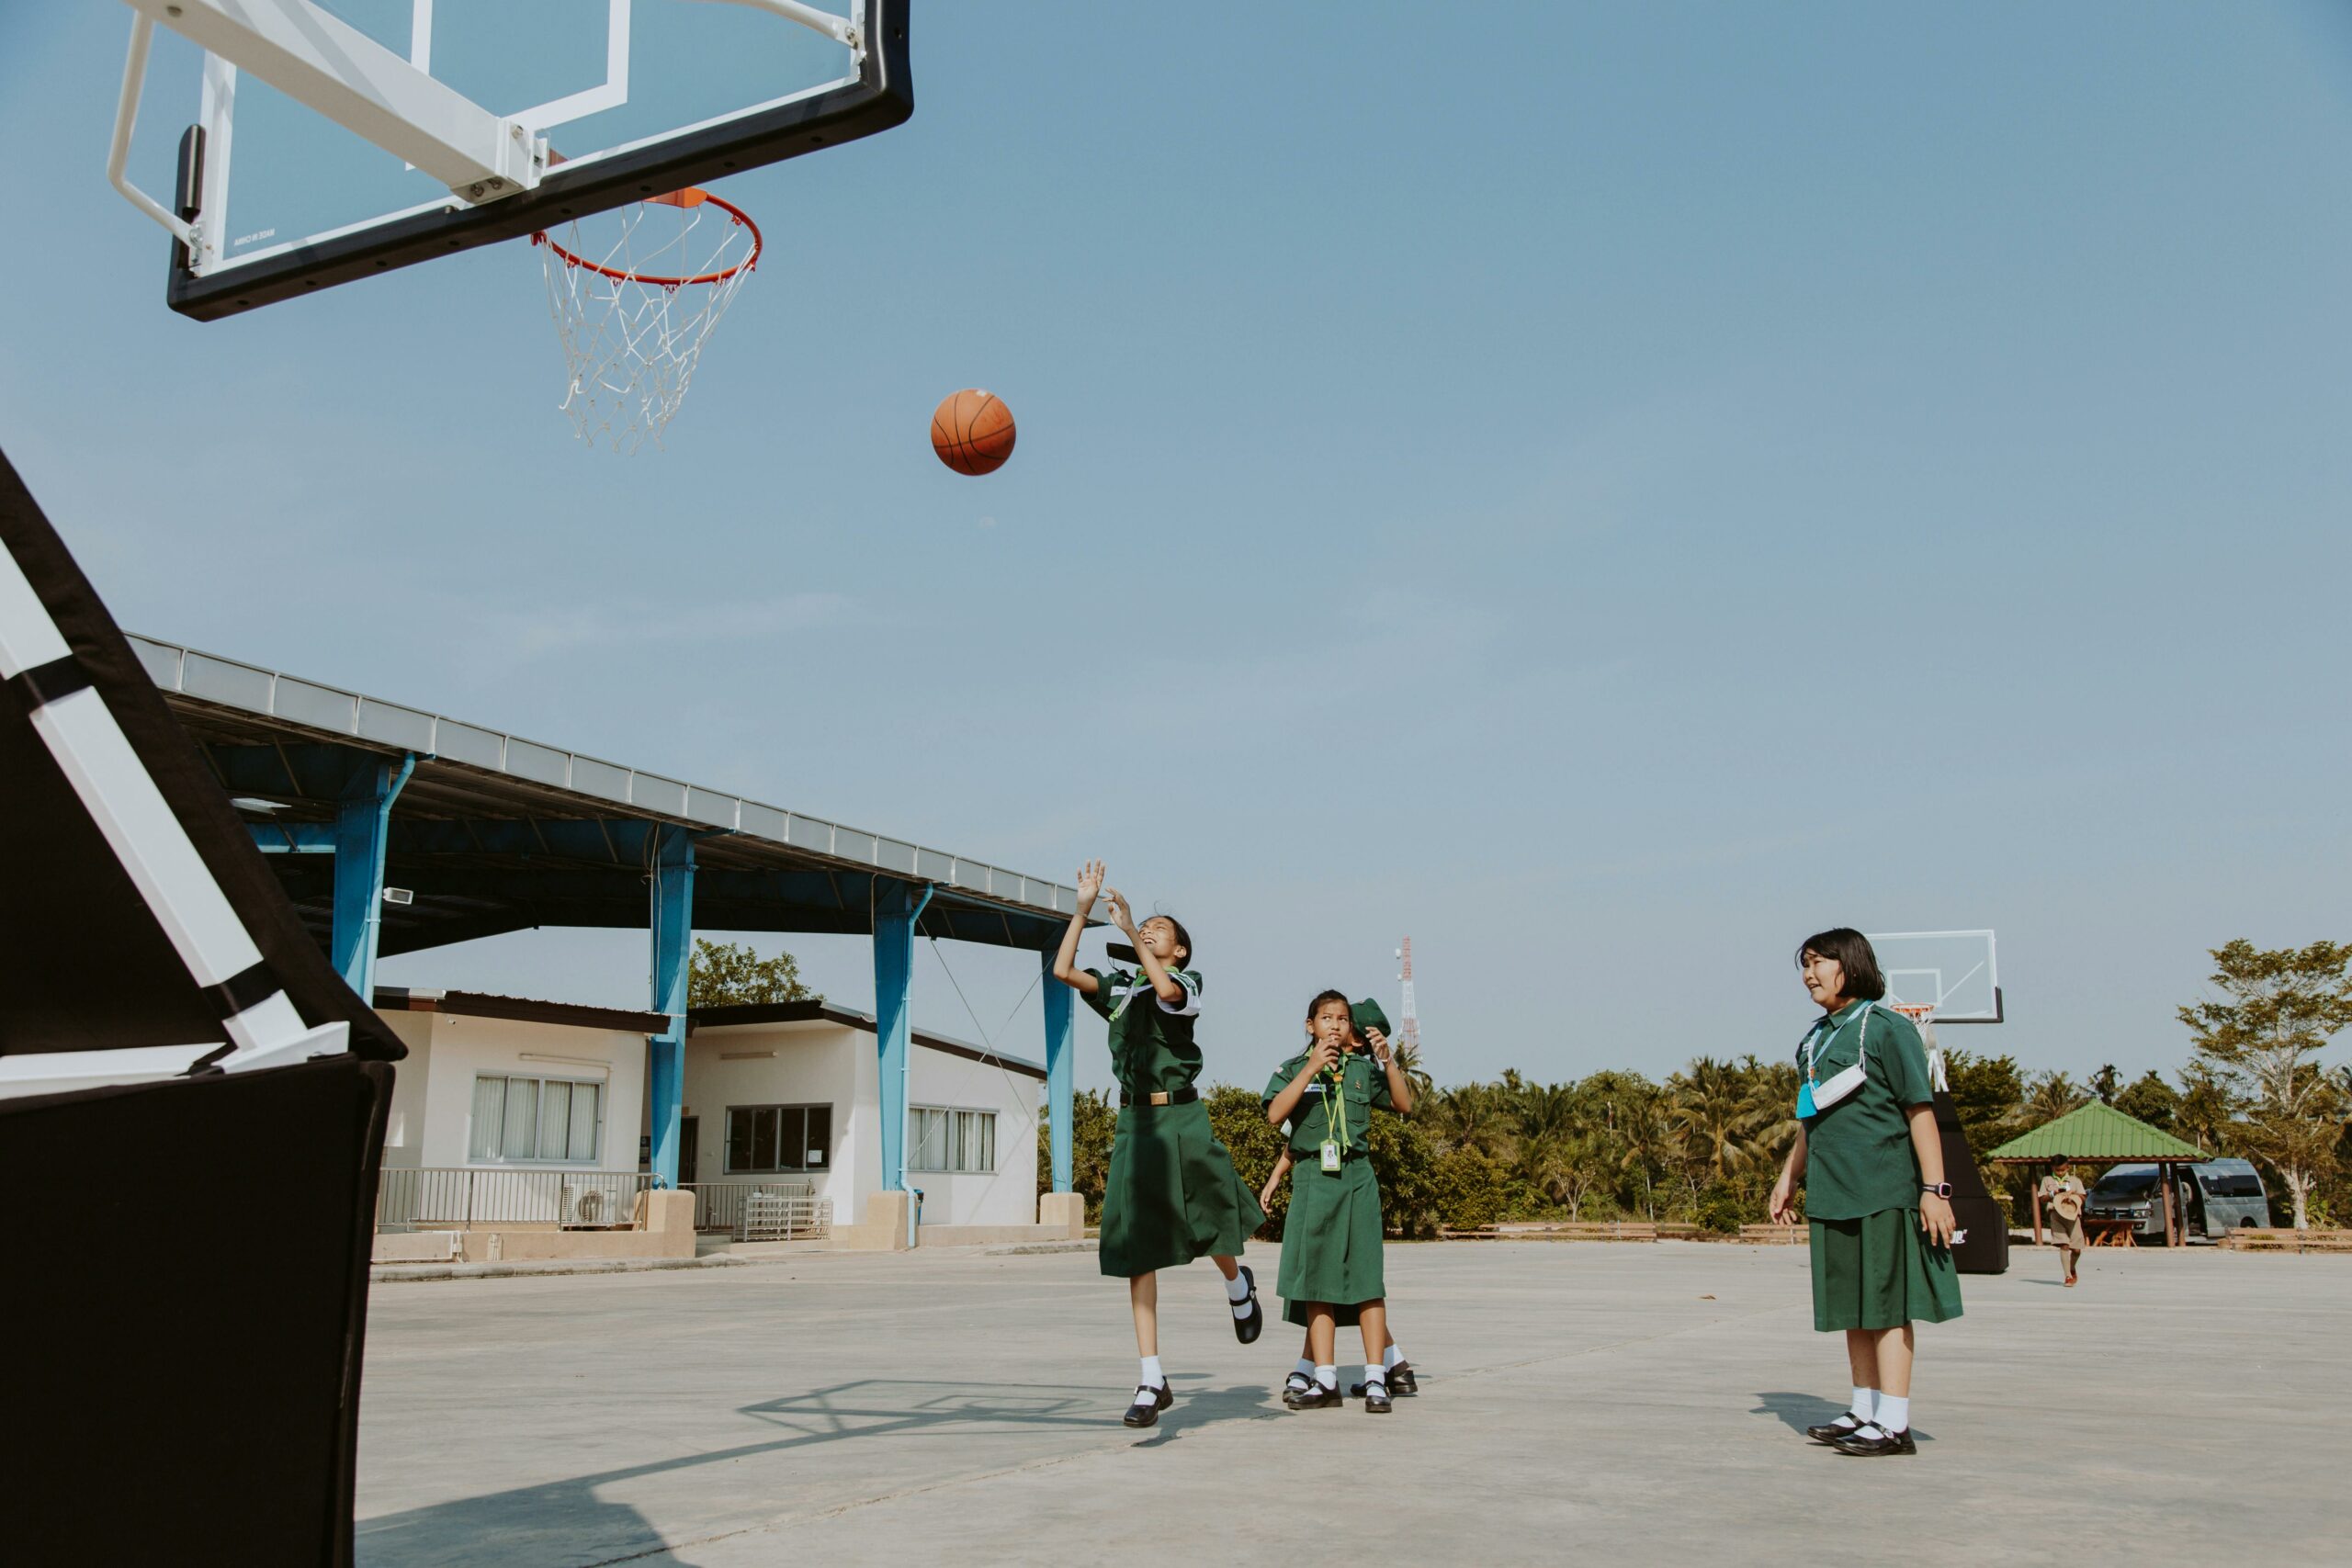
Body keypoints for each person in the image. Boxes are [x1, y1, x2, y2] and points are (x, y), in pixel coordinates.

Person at [1050, 860, 1265, 1429]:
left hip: (1182, 1115)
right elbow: (1063, 970)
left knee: (1208, 1218)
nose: (1148, 929)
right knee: (1136, 1247)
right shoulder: (1121, 988)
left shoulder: (1187, 983)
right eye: (1144, 926)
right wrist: (1082, 910)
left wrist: (1125, 932)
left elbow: (1166, 988)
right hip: (1135, 1125)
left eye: (1159, 929)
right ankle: (1151, 1376)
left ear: (1181, 950)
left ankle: (1236, 1281)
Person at [1770, 928, 1963, 1457]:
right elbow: (1810, 1119)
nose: (1809, 974)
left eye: (1818, 962)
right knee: (1852, 1308)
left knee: (1887, 1306)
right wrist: (1789, 1178)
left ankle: (1895, 1424)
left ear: (1848, 965)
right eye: (1804, 965)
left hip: (1884, 1189)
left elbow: (1920, 1112)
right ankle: (1864, 1409)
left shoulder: (1886, 1029)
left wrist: (1934, 1189)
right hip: (1834, 1193)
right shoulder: (1815, 1037)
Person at [1263, 990, 1417, 1413]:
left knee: (1367, 1279)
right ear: (1310, 1025)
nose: (1335, 1024)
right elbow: (1276, 1115)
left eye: (1343, 1019)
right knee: (1317, 1281)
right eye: (1326, 1017)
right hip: (1315, 1177)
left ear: (1351, 1029)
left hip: (1357, 1176)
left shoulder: (1363, 1071)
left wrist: (1388, 1060)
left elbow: (1404, 1104)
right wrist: (1312, 1066)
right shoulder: (1294, 1068)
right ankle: (1325, 1378)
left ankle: (1374, 1379)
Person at [2038, 1158, 2087, 1287]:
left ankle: (2072, 1267)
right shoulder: (2047, 1180)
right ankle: (2068, 1276)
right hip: (2056, 1214)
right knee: (2064, 1245)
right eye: (2057, 1170)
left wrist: (2073, 1193)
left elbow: (2083, 1197)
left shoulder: (2075, 1181)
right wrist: (2053, 1193)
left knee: (2076, 1250)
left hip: (2073, 1215)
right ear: (2053, 1168)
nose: (2060, 1172)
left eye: (2062, 1170)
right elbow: (2042, 1198)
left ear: (2068, 1168)